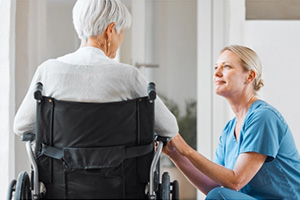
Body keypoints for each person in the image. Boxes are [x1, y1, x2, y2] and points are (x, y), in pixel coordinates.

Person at [14, 0, 178, 140]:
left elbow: (22, 126)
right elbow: (169, 128)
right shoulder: (129, 76)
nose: (121, 38)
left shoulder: (48, 71)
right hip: (120, 175)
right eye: (121, 32)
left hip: (59, 174)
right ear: (110, 30)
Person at [163, 45, 300, 199]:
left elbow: (235, 182)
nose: (217, 73)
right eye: (215, 67)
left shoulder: (263, 117)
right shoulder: (229, 130)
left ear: (249, 76)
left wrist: (187, 150)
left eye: (226, 66)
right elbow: (213, 185)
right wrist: (175, 154)